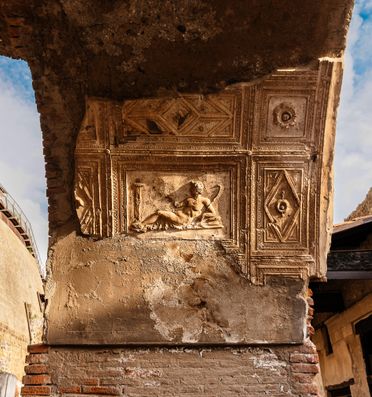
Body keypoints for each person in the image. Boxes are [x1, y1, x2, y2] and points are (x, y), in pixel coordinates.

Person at [130, 181, 222, 232]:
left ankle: (142, 224)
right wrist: (170, 197)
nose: (190, 190)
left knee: (159, 213)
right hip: (178, 214)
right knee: (160, 211)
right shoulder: (188, 199)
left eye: (193, 189)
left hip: (183, 220)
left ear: (198, 190)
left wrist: (203, 217)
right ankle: (142, 224)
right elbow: (178, 205)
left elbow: (213, 213)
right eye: (191, 188)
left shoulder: (205, 200)